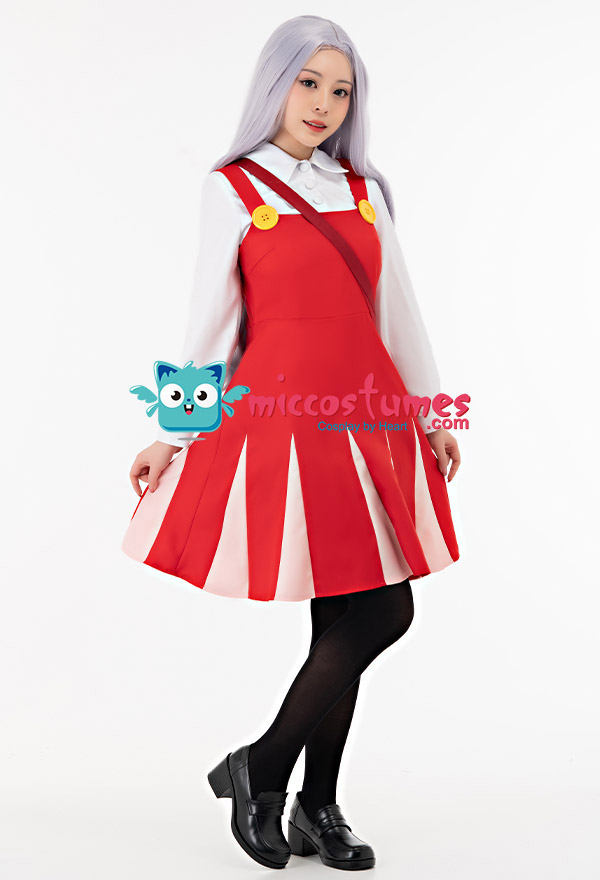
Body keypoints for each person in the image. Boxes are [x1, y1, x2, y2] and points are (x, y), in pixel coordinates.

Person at [122, 14, 461, 871]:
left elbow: (398, 312)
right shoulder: (233, 188)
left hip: (368, 414)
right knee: (371, 611)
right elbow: (210, 319)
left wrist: (432, 414)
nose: (323, 104)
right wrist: (172, 432)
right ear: (276, 84)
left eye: (340, 90)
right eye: (308, 83)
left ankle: (300, 794)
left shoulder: (363, 189)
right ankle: (279, 780)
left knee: (360, 611)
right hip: (286, 417)